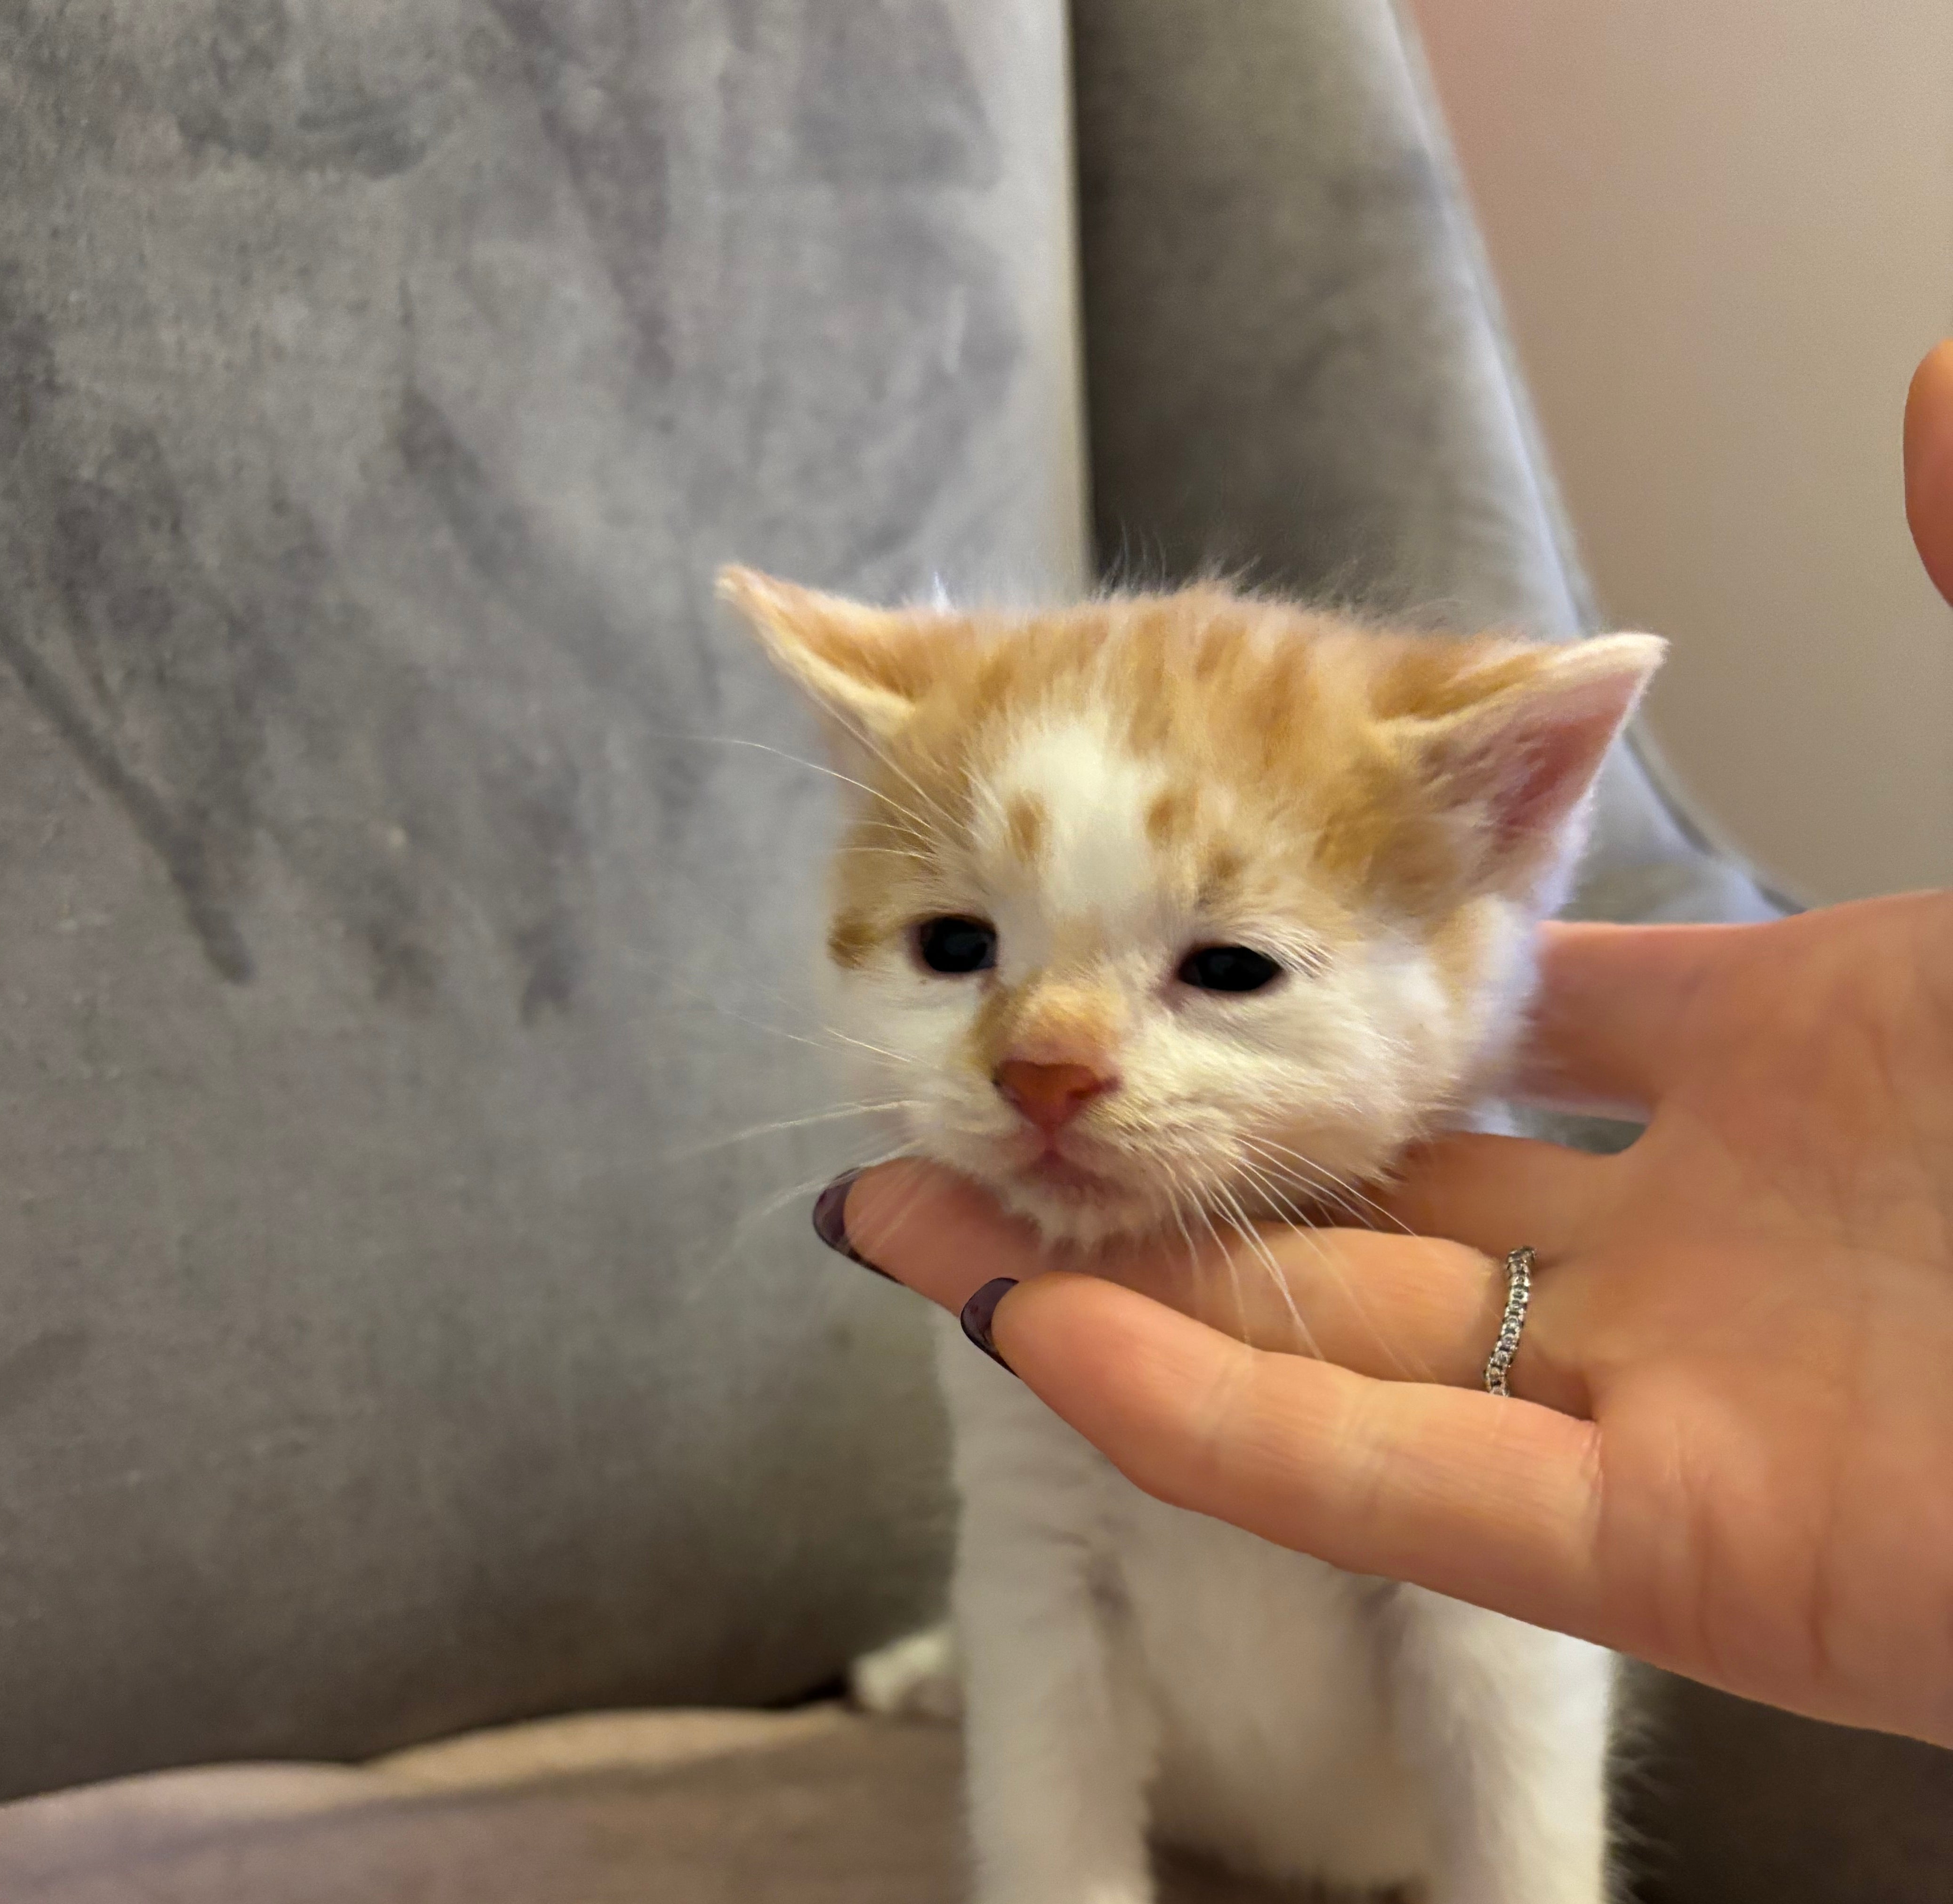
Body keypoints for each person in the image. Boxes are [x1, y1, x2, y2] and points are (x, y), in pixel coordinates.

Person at [827, 342, 1953, 1752]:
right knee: (1040, 1555)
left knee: (1465, 1597)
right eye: (952, 948)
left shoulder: (1506, 1309)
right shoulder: (991, 1256)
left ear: (1517, 806)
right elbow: (1038, 1567)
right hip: (1154, 1757)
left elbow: (1513, 1640)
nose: (1041, 1069)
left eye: (1229, 966)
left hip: (1377, 1842)